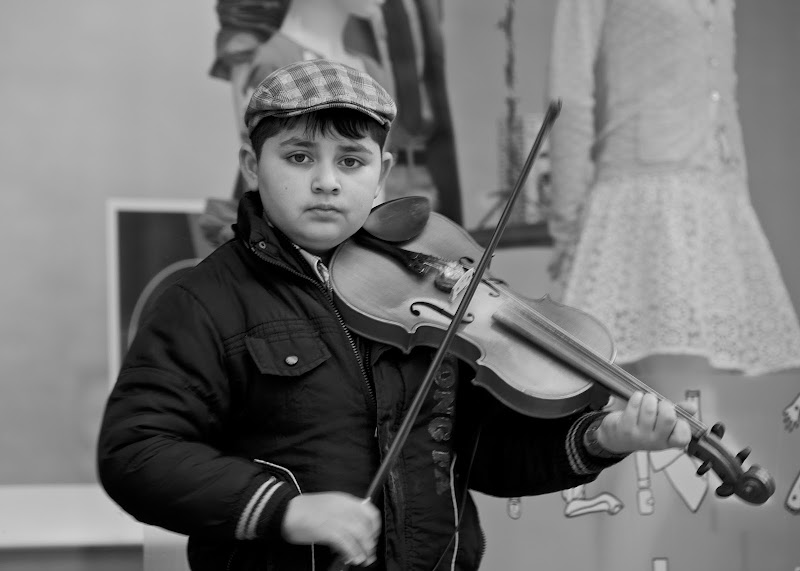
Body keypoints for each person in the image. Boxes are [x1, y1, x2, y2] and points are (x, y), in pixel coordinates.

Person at [97, 59, 697, 571]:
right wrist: (282, 508)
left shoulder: (430, 290)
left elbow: (487, 455)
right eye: (300, 157)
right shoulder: (205, 299)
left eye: (352, 162)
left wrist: (599, 437)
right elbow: (137, 451)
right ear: (253, 167)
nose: (327, 182)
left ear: (382, 173)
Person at [545, 0, 800, 375]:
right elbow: (568, 91)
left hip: (717, 208)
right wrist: (568, 224)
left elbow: (723, 92)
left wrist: (736, 205)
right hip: (638, 211)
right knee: (635, 396)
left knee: (702, 398)